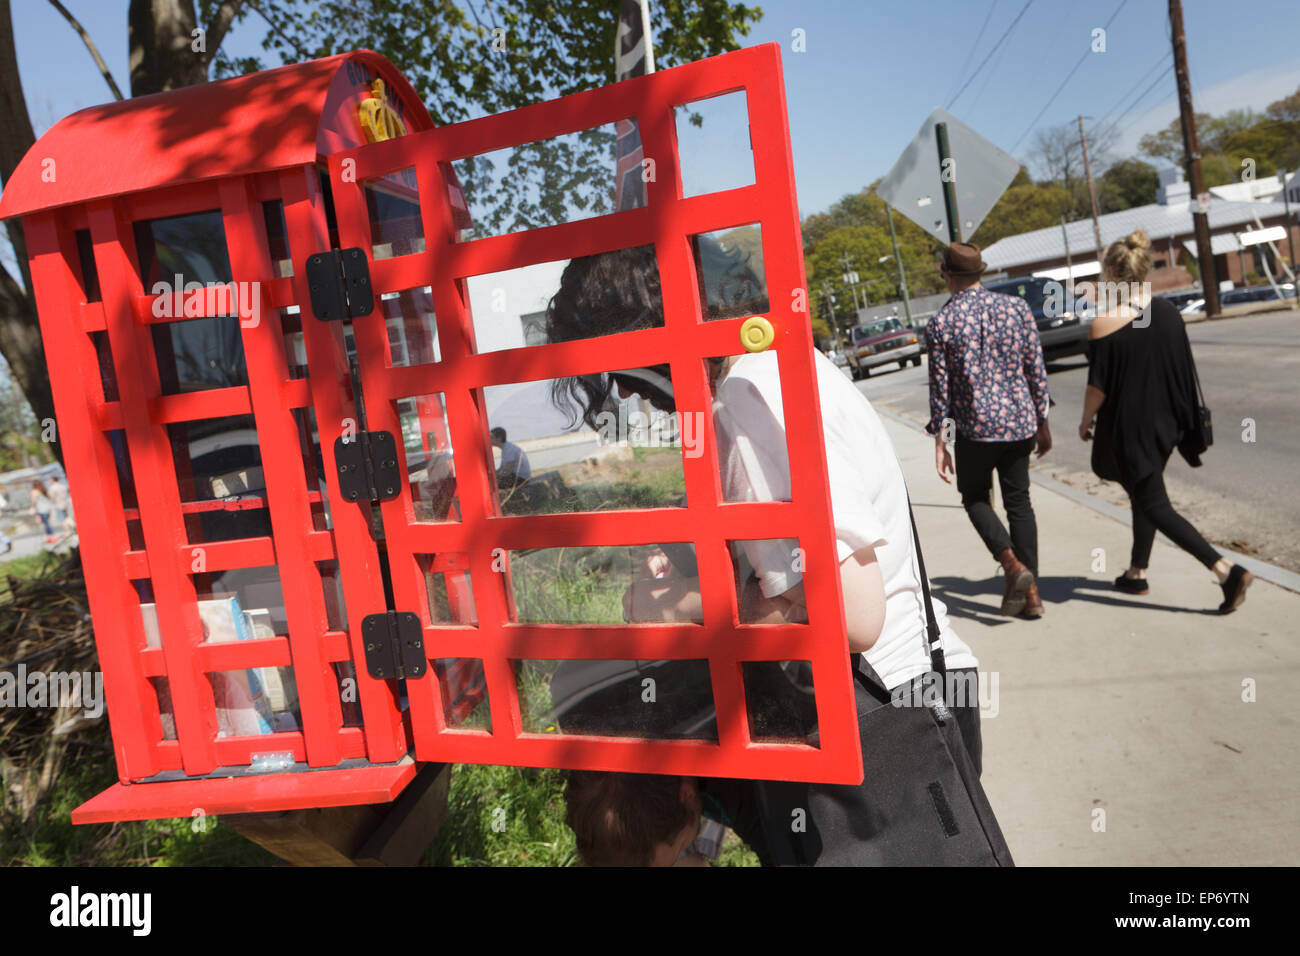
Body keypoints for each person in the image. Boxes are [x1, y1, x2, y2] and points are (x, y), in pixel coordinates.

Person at [547, 244, 1010, 866]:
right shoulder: (784, 365)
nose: (633, 395)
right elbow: (797, 563)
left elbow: (847, 612)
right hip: (911, 693)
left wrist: (675, 601)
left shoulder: (748, 397)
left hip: (870, 724)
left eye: (623, 369)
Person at [1080, 229, 1252, 614]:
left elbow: (1098, 388)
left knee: (1153, 502)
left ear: (1111, 272)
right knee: (1144, 493)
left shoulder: (1104, 324)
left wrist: (1085, 420)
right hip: (1168, 426)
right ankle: (1136, 573)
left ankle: (1226, 571)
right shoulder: (1171, 313)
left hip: (1131, 430)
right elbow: (1180, 371)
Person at [925, 242, 1051, 619]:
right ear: (980, 273)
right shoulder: (1016, 309)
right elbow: (1036, 371)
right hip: (1019, 424)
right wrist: (1043, 422)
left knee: (975, 498)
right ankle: (1032, 597)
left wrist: (941, 442)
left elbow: (940, 391)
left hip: (975, 430)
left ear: (948, 276)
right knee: (1019, 504)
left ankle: (1012, 564)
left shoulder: (941, 323)